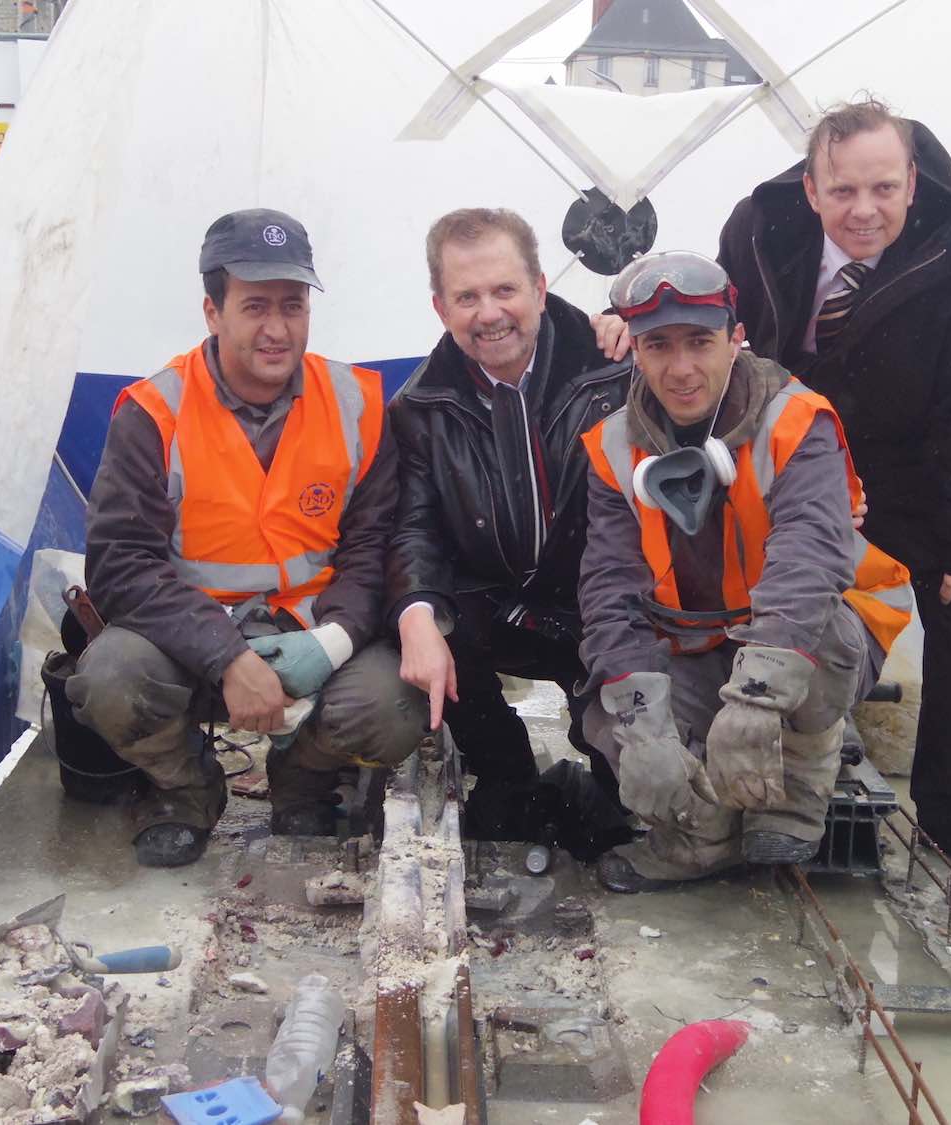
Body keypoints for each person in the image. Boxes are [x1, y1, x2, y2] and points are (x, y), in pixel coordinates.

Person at [717, 99, 951, 883]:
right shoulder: (759, 229)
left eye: (885, 190)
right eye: (845, 191)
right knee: (729, 570)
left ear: (913, 182)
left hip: (908, 462)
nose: (865, 211)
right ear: (812, 186)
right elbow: (723, 341)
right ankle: (730, 748)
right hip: (789, 450)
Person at [65, 208, 426, 867]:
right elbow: (119, 565)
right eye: (255, 306)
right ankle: (185, 792)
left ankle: (306, 781)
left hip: (316, 640)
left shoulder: (359, 404)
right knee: (110, 679)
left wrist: (331, 642)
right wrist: (228, 657)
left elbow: (376, 548)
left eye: (293, 306)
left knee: (398, 701)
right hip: (190, 647)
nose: (277, 328)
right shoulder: (154, 412)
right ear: (212, 310)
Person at [578, 251, 914, 893]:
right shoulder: (612, 448)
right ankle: (703, 836)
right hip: (699, 640)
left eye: (700, 342)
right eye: (658, 346)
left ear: (736, 340)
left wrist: (754, 696)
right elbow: (609, 590)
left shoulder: (797, 421)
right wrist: (640, 719)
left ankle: (800, 780)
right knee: (610, 714)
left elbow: (810, 556)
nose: (680, 370)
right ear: (636, 352)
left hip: (815, 632)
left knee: (816, 639)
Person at [386, 208, 633, 842]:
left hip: (599, 604)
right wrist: (415, 614)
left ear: (541, 288)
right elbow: (414, 527)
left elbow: (718, 367)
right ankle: (506, 773)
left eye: (504, 290)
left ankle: (607, 775)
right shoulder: (419, 406)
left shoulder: (619, 368)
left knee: (629, 806)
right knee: (427, 628)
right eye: (467, 297)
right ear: (441, 308)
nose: (489, 313)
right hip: (494, 603)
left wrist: (645, 329)